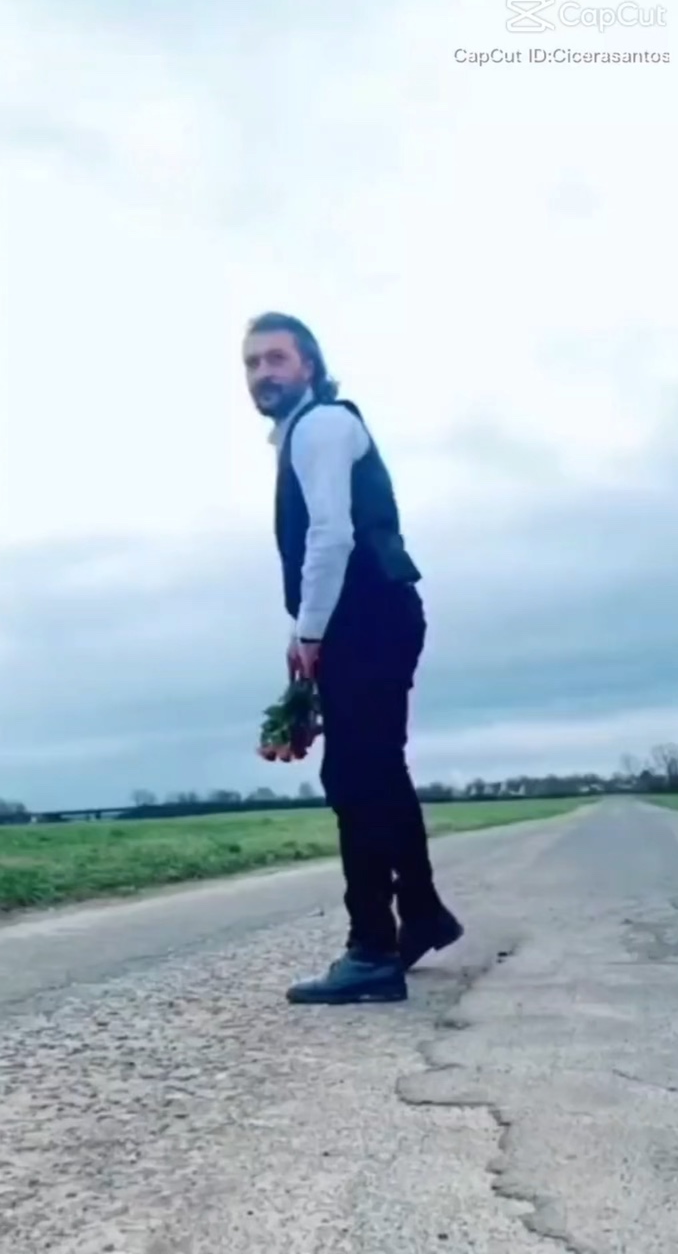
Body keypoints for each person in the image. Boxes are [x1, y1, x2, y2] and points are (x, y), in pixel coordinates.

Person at [243, 311, 463, 1005]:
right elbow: (322, 543)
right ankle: (421, 914)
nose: (262, 373)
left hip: (365, 617)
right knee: (378, 771)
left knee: (355, 777)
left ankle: (371, 949)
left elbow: (332, 536)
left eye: (276, 358)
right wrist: (302, 632)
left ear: (308, 365)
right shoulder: (303, 434)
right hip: (371, 615)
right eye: (252, 363)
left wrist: (311, 632)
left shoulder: (322, 426)